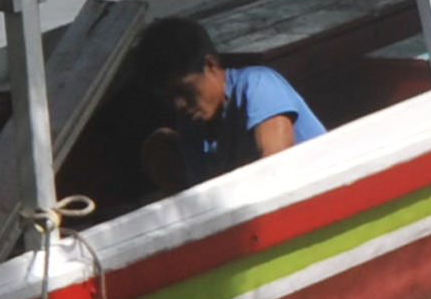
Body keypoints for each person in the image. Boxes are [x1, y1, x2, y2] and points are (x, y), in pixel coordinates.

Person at [132, 15, 325, 194]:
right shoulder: (190, 125)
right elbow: (205, 198)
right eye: (168, 97)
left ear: (211, 66)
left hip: (317, 200)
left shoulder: (258, 85)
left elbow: (277, 174)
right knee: (159, 148)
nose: (178, 104)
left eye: (183, 90)